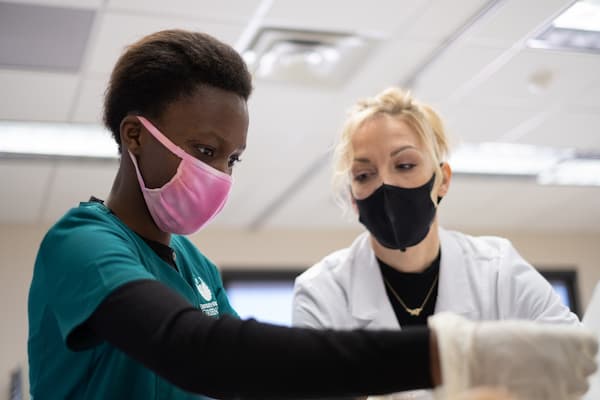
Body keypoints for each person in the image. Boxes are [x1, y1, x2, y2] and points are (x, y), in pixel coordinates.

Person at [26, 30, 596, 400]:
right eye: (205, 152)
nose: (221, 174)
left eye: (233, 159)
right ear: (134, 136)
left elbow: (256, 378)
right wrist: (453, 353)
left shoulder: (195, 264)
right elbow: (198, 350)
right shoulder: (83, 244)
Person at [292, 87, 582, 399]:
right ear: (353, 198)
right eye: (364, 175)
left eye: (404, 166)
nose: (385, 185)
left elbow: (576, 361)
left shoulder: (498, 269)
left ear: (442, 179)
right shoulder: (322, 291)